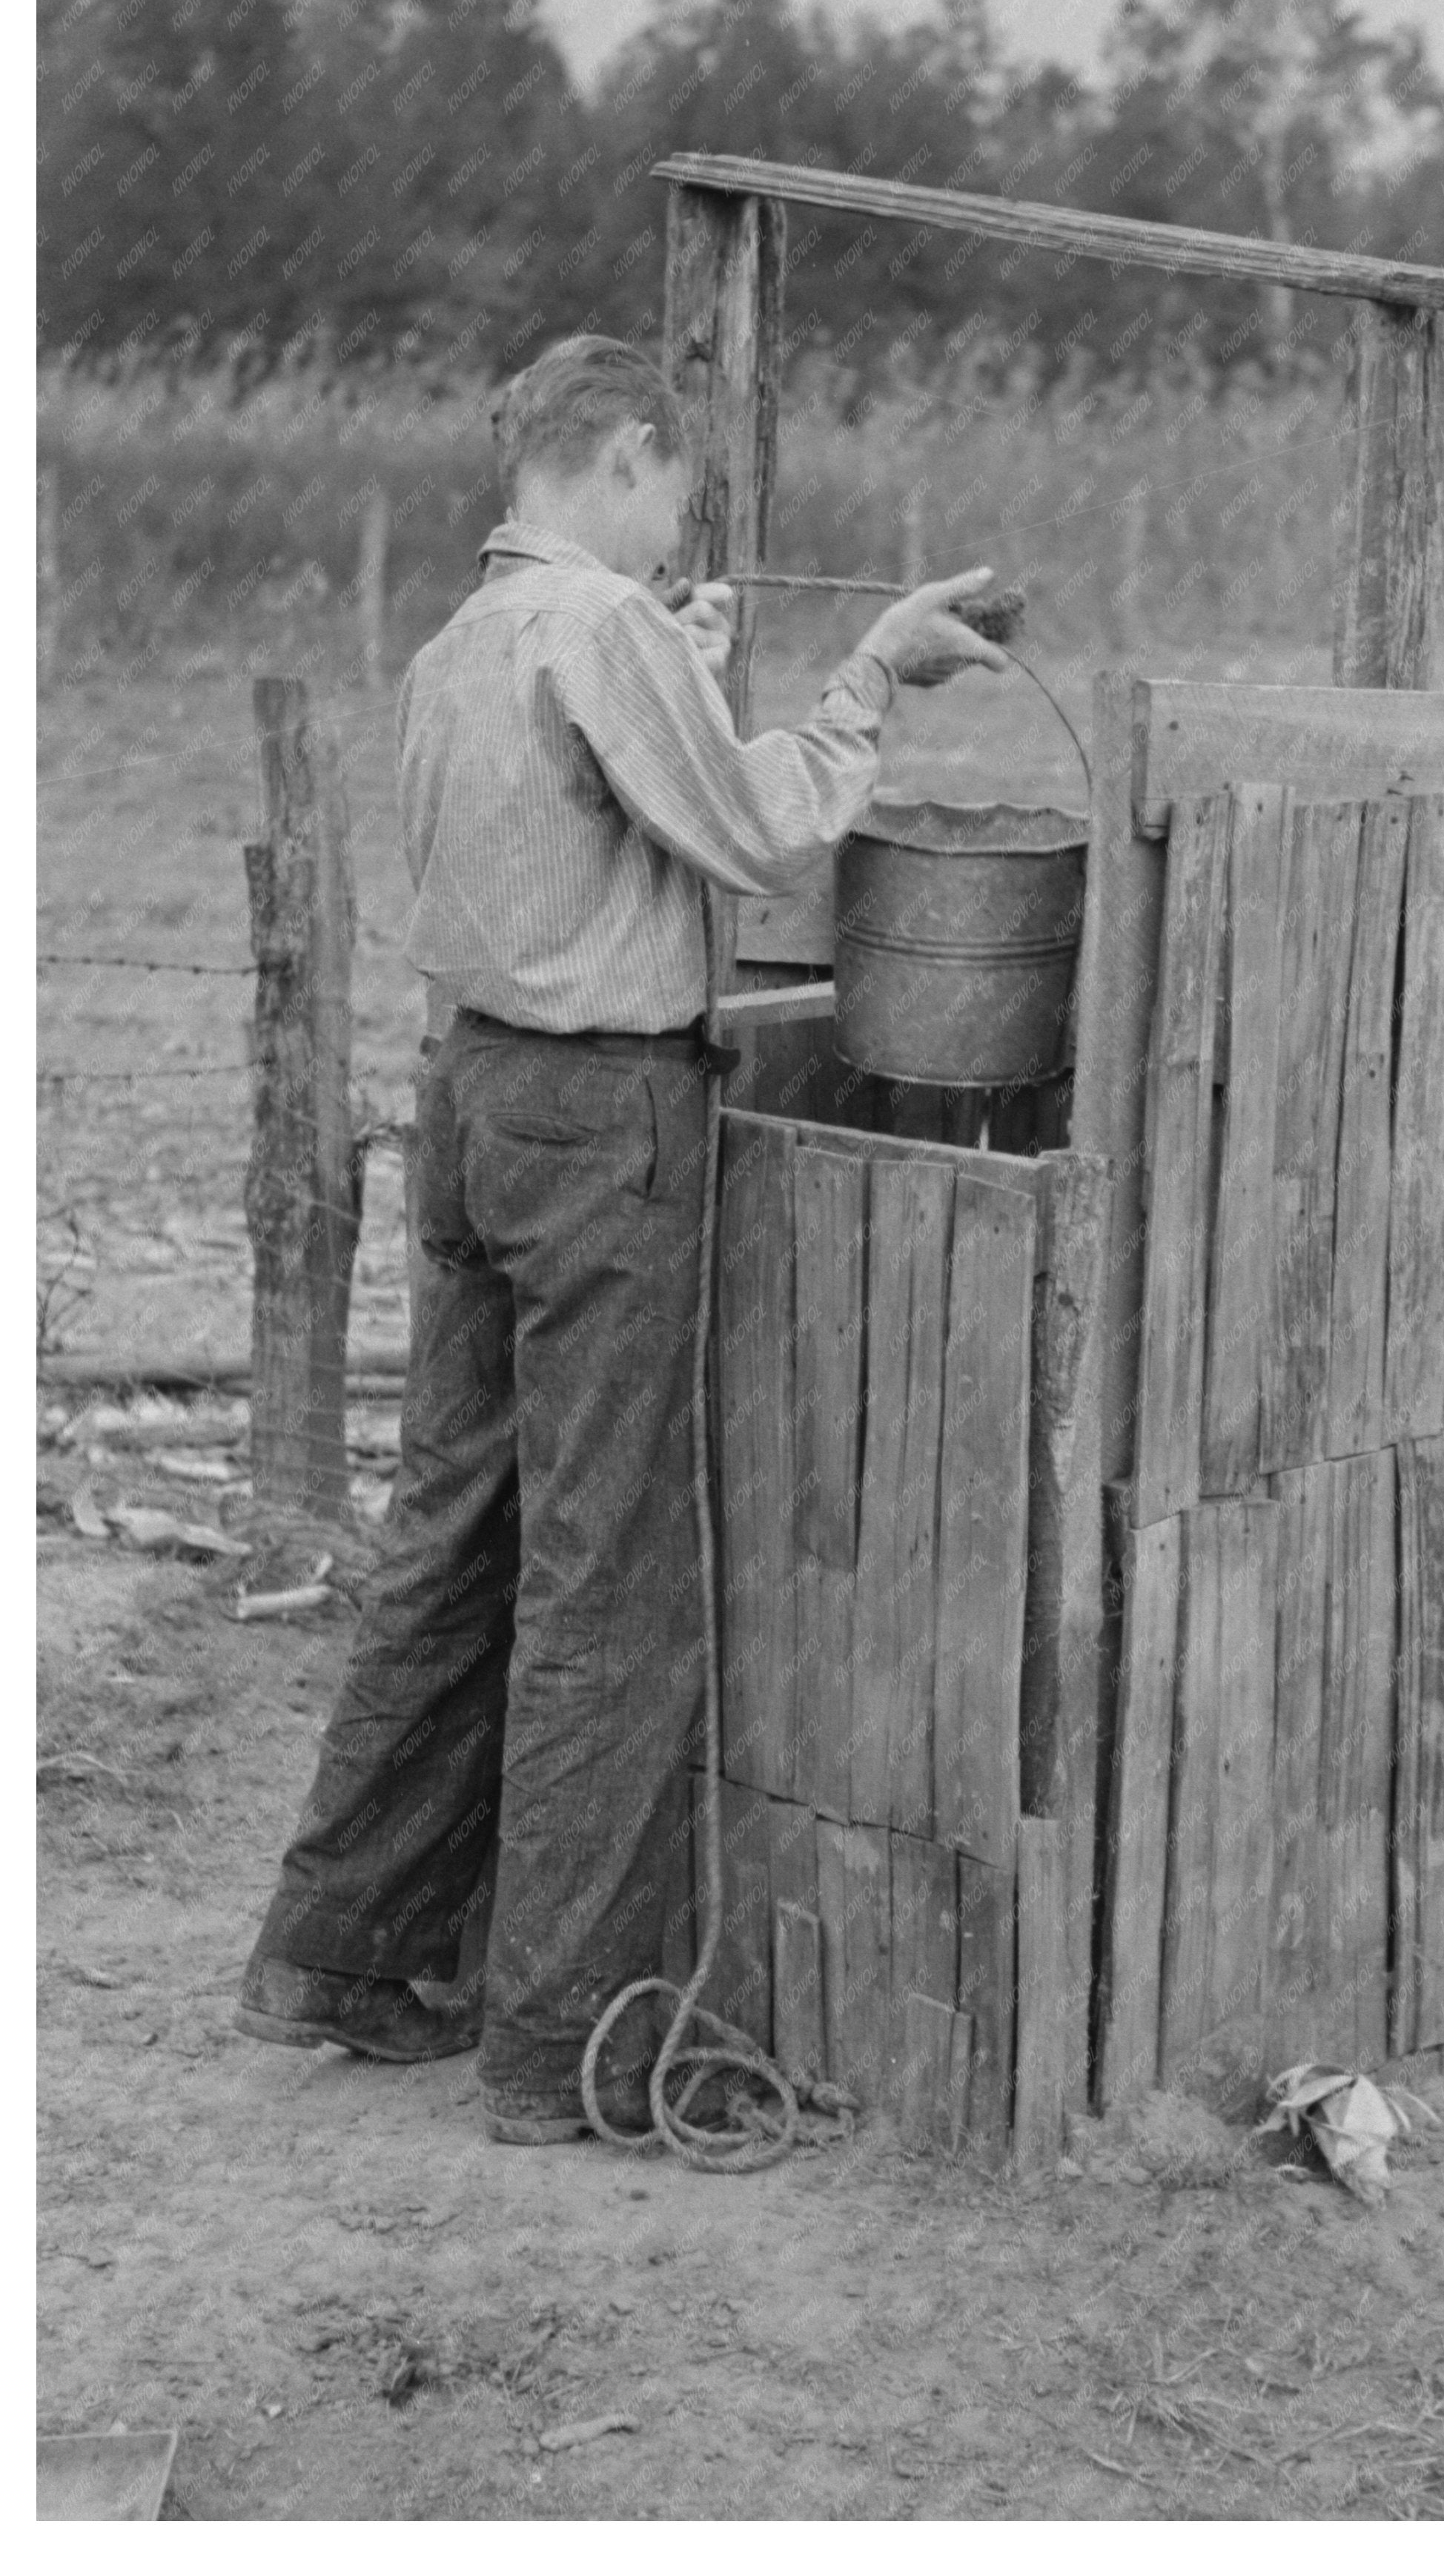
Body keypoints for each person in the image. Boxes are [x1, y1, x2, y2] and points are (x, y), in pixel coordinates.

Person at [234, 332, 1011, 2144]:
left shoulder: (462, 643)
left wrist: (696, 661)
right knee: (607, 1572)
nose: (681, 534)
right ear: (631, 459)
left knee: (450, 1533)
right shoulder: (601, 631)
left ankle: (336, 1948)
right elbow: (751, 833)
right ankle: (563, 2035)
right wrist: (876, 671)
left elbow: (586, 829)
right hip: (602, 1127)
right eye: (678, 497)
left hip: (478, 1103)